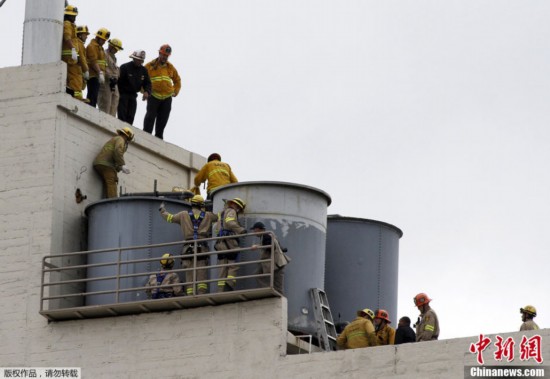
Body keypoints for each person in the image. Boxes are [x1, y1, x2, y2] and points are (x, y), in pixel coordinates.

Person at [159, 195, 218, 295]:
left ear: (192, 203)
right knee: (201, 272)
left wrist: (162, 210)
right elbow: (219, 217)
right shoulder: (208, 215)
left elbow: (169, 218)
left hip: (188, 249)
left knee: (189, 273)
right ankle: (201, 294)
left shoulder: (183, 215)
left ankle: (190, 295)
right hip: (202, 248)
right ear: (202, 205)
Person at [143, 44, 181, 140]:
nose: (165, 57)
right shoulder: (149, 66)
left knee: (163, 119)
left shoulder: (170, 67)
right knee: (150, 117)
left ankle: (158, 138)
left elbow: (177, 80)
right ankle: (146, 136)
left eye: (166, 56)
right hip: (153, 96)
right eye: (163, 55)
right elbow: (142, 79)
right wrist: (145, 91)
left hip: (167, 98)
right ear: (159, 53)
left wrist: (175, 91)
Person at [214, 197, 247, 292]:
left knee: (222, 267)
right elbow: (230, 222)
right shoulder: (232, 212)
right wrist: (241, 230)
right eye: (239, 208)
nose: (238, 210)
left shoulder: (222, 213)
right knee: (233, 264)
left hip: (220, 242)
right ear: (236, 205)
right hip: (229, 241)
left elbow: (217, 228)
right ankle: (229, 285)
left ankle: (220, 290)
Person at [93, 126, 133, 198]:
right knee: (112, 181)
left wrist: (120, 167)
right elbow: (118, 151)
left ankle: (106, 200)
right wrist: (122, 164)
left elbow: (114, 155)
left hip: (99, 163)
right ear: (127, 137)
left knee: (108, 182)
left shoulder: (114, 139)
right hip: (107, 164)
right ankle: (113, 203)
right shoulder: (121, 139)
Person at [250, 221, 290, 294]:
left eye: (254, 230)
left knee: (278, 284)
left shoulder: (266, 236)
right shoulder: (268, 235)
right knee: (259, 275)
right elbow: (278, 247)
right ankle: (269, 290)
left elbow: (271, 247)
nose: (254, 232)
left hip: (277, 263)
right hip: (274, 263)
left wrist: (258, 246)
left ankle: (273, 293)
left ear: (259, 229)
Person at [117, 50, 151, 125]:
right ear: (134, 58)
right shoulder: (124, 67)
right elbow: (118, 81)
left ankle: (127, 133)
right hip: (123, 95)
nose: (140, 62)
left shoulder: (144, 70)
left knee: (131, 116)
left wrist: (147, 91)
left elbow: (147, 83)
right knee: (122, 115)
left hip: (133, 96)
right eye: (138, 60)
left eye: (141, 60)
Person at [61, 5, 84, 100]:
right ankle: (75, 97)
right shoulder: (67, 24)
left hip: (71, 55)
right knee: (73, 76)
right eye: (73, 16)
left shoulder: (71, 25)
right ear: (68, 15)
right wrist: (73, 50)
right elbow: (67, 37)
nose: (74, 17)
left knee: (74, 76)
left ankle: (74, 96)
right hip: (69, 55)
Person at [98, 38, 122, 116]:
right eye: (115, 49)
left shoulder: (114, 58)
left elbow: (115, 70)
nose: (116, 51)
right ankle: (104, 117)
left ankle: (111, 119)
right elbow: (104, 67)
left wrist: (115, 78)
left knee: (115, 99)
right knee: (106, 101)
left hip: (114, 82)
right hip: (106, 81)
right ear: (111, 46)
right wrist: (110, 77)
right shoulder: (104, 54)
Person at [86, 27, 110, 107]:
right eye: (103, 40)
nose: (104, 42)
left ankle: (92, 107)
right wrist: (99, 72)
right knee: (92, 95)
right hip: (92, 75)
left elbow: (102, 63)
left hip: (97, 76)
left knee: (95, 96)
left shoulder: (100, 48)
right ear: (98, 37)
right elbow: (93, 61)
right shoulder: (92, 46)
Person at [75, 25, 90, 98]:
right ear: (80, 35)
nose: (87, 37)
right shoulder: (79, 44)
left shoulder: (79, 43)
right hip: (77, 69)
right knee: (77, 86)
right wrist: (85, 70)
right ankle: (78, 99)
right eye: (85, 34)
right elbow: (82, 58)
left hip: (78, 68)